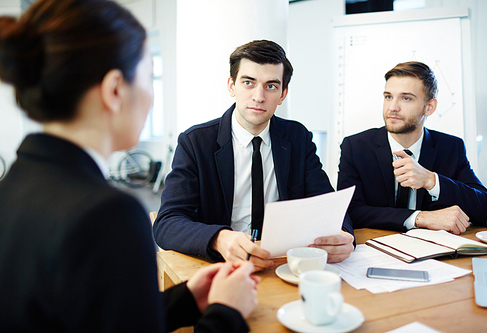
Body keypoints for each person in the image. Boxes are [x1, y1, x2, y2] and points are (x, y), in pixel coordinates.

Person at [0, 0, 258, 332]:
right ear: (115, 90)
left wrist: (187, 301)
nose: (151, 96)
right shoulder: (107, 214)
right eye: (149, 77)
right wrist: (227, 312)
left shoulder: (14, 186)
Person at [153, 40, 355, 270]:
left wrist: (345, 235)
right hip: (222, 264)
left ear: (283, 94)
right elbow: (167, 222)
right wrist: (219, 239)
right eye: (248, 83)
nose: (259, 96)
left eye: (271, 86)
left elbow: (326, 204)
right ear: (232, 86)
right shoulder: (196, 142)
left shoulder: (297, 137)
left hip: (283, 263)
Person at [337, 61, 487, 235]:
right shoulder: (355, 147)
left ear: (429, 107)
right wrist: (420, 218)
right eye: (388, 96)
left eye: (406, 98)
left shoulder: (451, 147)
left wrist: (431, 180)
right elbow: (349, 210)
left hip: (434, 253)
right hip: (374, 246)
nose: (392, 107)